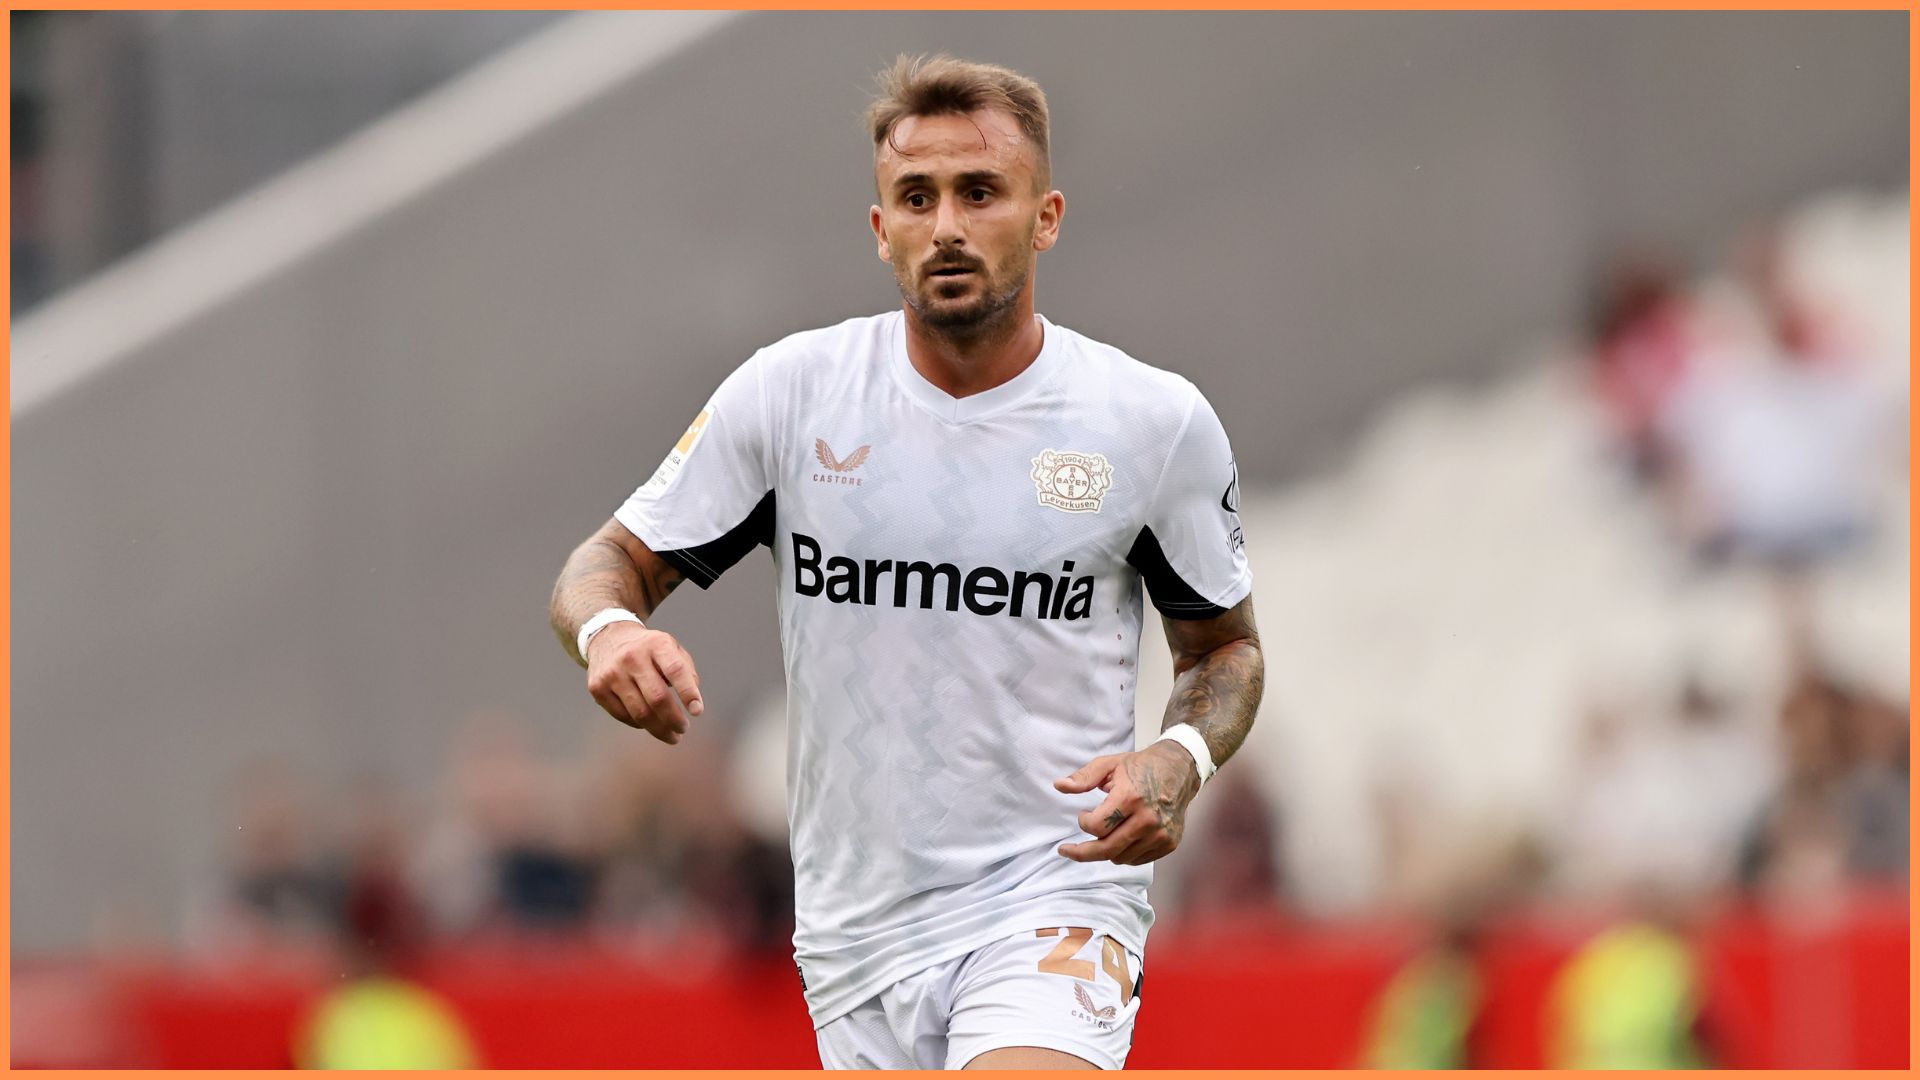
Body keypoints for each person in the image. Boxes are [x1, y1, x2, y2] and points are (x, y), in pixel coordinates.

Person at [549, 54, 1263, 1071]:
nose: (948, 227)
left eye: (981, 193)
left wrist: (1179, 761)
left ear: (1046, 215)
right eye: (916, 198)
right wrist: (610, 632)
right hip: (855, 931)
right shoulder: (795, 395)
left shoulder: (1150, 423)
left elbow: (1225, 649)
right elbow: (605, 562)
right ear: (881, 230)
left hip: (1053, 890)